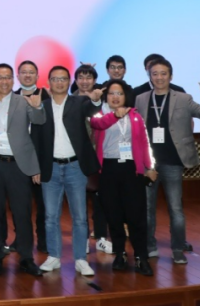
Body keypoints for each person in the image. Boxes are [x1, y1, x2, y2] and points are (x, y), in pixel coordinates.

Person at [134, 58, 200, 263]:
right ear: (149, 76)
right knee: (147, 209)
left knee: (175, 209)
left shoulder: (183, 98)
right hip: (148, 163)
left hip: (172, 161)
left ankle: (177, 248)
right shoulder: (141, 99)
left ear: (171, 76)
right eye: (155, 74)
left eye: (163, 73)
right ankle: (150, 246)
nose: (159, 77)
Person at [0, 63, 45, 277]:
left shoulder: (23, 101)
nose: (4, 81)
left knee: (22, 213)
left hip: (18, 165)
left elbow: (39, 120)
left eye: (7, 77)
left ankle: (26, 258)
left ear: (12, 80)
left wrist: (37, 107)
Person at [32, 65, 101, 277]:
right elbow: (35, 138)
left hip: (75, 167)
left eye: (63, 79)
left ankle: (80, 259)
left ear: (69, 81)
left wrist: (96, 100)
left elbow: (93, 110)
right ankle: (54, 256)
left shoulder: (79, 102)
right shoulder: (42, 105)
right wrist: (35, 168)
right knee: (50, 216)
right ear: (49, 82)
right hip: (50, 167)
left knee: (79, 217)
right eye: (55, 79)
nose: (59, 82)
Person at [89, 80, 155, 276]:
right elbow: (97, 124)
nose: (115, 97)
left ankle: (141, 257)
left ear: (126, 96)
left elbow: (144, 143)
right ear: (106, 96)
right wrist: (114, 115)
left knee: (136, 216)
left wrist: (150, 167)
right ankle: (120, 254)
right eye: (111, 93)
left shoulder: (135, 116)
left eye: (119, 93)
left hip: (131, 170)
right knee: (114, 215)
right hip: (108, 170)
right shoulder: (100, 113)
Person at [75, 64, 111, 256]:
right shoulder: (69, 100)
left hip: (100, 156)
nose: (85, 81)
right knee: (79, 202)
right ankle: (82, 241)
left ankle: (101, 238)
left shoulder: (103, 101)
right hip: (77, 158)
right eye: (81, 77)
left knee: (101, 200)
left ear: (95, 80)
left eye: (89, 77)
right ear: (75, 80)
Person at [18, 61, 48, 254]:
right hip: (17, 159)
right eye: (24, 72)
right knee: (20, 205)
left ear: (37, 76)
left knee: (43, 205)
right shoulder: (12, 97)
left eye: (31, 72)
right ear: (18, 76)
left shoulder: (47, 96)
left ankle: (43, 241)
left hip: (41, 158)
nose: (27, 75)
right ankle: (21, 240)